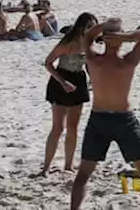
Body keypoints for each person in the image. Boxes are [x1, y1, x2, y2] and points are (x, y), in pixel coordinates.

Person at [71, 18, 140, 210]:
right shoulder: (128, 61)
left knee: (83, 174)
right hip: (123, 119)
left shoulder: (93, 59)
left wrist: (104, 29)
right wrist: (127, 36)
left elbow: (87, 36)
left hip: (99, 118)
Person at [41, 12, 98, 175]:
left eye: (93, 28)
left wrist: (92, 78)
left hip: (79, 80)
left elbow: (88, 64)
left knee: (73, 127)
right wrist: (63, 81)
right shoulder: (67, 43)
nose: (91, 30)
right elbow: (48, 63)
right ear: (80, 27)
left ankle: (68, 164)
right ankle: (46, 166)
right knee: (58, 127)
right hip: (62, 79)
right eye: (88, 27)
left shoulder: (89, 44)